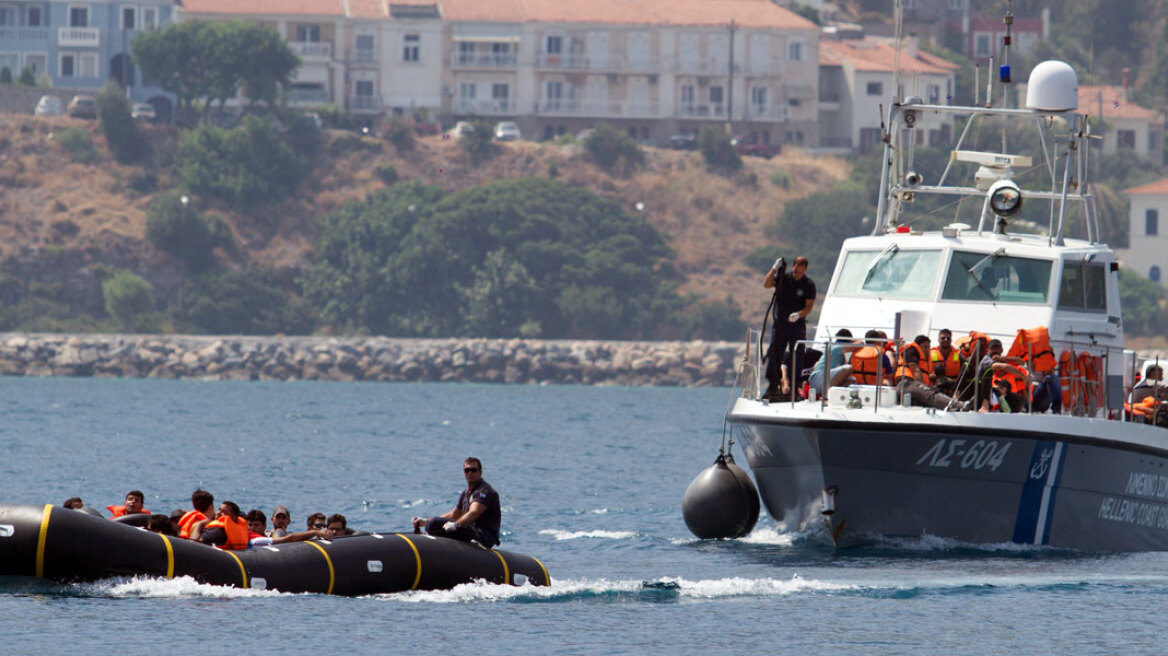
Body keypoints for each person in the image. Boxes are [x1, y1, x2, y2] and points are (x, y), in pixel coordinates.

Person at [412, 457, 501, 548]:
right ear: (464, 473)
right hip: (470, 529)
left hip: (484, 535)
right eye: (467, 470)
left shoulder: (484, 490)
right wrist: (426, 521)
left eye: (473, 470)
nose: (470, 473)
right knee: (432, 524)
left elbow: (474, 512)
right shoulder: (466, 493)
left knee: (435, 524)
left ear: (480, 472)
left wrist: (456, 525)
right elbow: (454, 514)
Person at [762, 255, 816, 401]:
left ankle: (793, 385)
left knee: (797, 354)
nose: (798, 273)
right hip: (780, 324)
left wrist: (799, 315)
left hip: (797, 326)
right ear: (793, 266)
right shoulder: (783, 278)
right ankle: (773, 385)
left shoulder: (808, 284)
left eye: (802, 271)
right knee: (775, 353)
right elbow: (766, 284)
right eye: (797, 269)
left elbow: (809, 306)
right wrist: (774, 267)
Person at [896, 334, 965, 410]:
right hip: (906, 383)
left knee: (933, 393)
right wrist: (924, 387)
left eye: (928, 347)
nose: (927, 349)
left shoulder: (925, 359)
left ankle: (953, 407)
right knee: (929, 394)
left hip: (913, 387)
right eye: (925, 347)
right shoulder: (911, 350)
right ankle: (958, 405)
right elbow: (915, 371)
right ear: (918, 346)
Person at [807, 328, 861, 394]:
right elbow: (860, 343)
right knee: (849, 368)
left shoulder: (835, 347)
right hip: (818, 378)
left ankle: (833, 395)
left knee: (852, 380)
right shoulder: (837, 347)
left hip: (821, 380)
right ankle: (827, 394)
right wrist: (854, 340)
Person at [929, 329, 964, 395]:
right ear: (938, 340)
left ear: (951, 341)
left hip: (952, 387)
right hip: (935, 387)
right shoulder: (930, 353)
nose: (946, 340)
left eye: (948, 338)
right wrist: (931, 376)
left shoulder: (958, 354)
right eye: (943, 338)